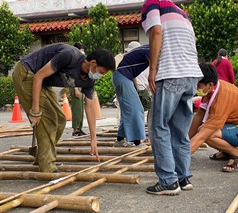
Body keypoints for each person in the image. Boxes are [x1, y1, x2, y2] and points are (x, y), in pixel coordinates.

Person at [12, 43, 115, 172]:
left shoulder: (89, 80)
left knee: (60, 119)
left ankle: (43, 155)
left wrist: (93, 139)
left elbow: (89, 108)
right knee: (48, 120)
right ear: (93, 63)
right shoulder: (69, 56)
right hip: (27, 72)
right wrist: (35, 110)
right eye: (101, 72)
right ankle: (47, 166)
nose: (101, 76)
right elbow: (38, 76)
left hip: (42, 82)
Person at [142, 0, 203, 195]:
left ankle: (168, 182)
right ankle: (183, 177)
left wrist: (152, 69)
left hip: (171, 73)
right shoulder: (182, 13)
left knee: (158, 126)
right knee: (179, 129)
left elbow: (156, 31)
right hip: (191, 75)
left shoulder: (152, 1)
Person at [189, 64, 238, 172]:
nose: (196, 88)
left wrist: (180, 157)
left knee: (208, 134)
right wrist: (186, 141)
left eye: (198, 85)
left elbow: (202, 135)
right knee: (203, 129)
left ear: (210, 85)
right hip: (234, 126)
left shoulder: (222, 99)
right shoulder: (211, 90)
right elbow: (199, 115)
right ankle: (227, 151)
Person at [112, 44, 150, 147]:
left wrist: (137, 86)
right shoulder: (149, 50)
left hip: (122, 77)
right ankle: (137, 142)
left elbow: (132, 73)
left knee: (128, 110)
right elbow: (156, 68)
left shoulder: (143, 50)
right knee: (136, 109)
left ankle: (120, 140)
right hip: (123, 77)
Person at [70, 42, 87, 136]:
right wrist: (75, 89)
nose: (83, 52)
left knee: (80, 109)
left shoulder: (79, 60)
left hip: (80, 86)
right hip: (75, 86)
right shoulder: (73, 61)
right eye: (81, 50)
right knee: (76, 109)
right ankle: (75, 129)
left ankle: (79, 128)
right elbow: (72, 76)